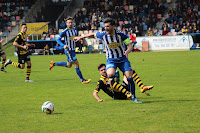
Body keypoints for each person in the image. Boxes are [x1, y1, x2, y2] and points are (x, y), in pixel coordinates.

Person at [74, 18, 142, 103]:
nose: (106, 28)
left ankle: (134, 98)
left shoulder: (121, 34)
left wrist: (127, 51)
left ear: (113, 26)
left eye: (108, 26)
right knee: (110, 73)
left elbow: (130, 45)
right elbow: (93, 34)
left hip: (122, 59)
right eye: (105, 26)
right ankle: (114, 82)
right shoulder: (103, 34)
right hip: (111, 60)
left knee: (130, 78)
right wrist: (81, 37)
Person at [49, 17, 91, 84]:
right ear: (66, 23)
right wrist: (63, 45)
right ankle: (83, 80)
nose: (70, 24)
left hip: (73, 50)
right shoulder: (64, 32)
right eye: (69, 22)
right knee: (76, 63)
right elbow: (58, 40)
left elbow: (77, 37)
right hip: (68, 50)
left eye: (71, 22)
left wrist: (80, 40)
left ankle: (54, 63)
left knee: (69, 65)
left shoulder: (75, 30)